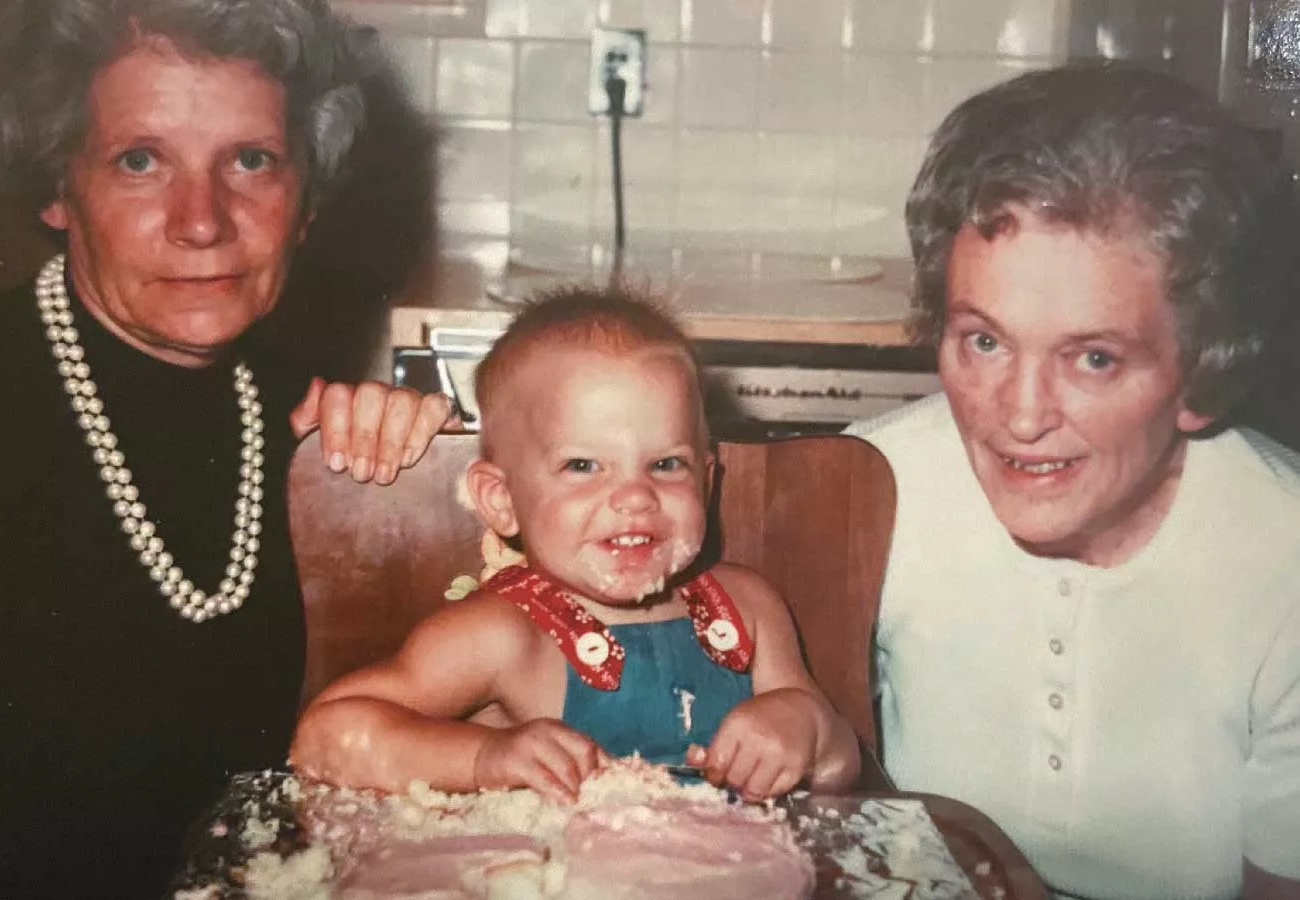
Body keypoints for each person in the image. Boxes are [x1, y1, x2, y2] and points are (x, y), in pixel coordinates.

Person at [0, 1, 451, 896]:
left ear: (306, 199)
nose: (202, 221)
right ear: (58, 189)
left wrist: (412, 481)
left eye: (251, 161)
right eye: (140, 161)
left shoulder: (305, 419)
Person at [851, 65, 1300, 900]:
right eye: (983, 341)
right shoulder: (863, 494)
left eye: (1093, 358)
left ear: (1201, 371)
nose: (1019, 417)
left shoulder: (1285, 563)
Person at [290, 286, 862, 805]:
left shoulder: (748, 612)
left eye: (666, 464)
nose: (635, 496)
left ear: (707, 483)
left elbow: (842, 765)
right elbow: (323, 736)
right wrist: (484, 758)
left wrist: (805, 727)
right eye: (583, 465)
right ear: (501, 499)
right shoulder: (501, 635)